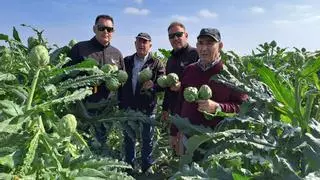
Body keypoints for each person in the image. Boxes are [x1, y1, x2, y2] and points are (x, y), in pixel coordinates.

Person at [171, 28, 248, 155]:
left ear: (220, 46)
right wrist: (174, 132)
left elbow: (244, 107)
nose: (204, 48)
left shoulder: (231, 74)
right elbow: (180, 102)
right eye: (201, 43)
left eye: (210, 43)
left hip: (217, 142)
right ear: (196, 46)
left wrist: (218, 107)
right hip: (188, 138)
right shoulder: (189, 70)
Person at [66, 14, 124, 149]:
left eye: (109, 29)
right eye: (102, 28)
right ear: (94, 29)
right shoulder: (80, 49)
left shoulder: (117, 54)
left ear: (113, 32)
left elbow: (122, 79)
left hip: (106, 111)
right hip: (83, 108)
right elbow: (66, 75)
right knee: (82, 145)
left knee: (101, 144)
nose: (106, 32)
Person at [118, 32, 165, 173]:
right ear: (135, 44)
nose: (141, 45)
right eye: (139, 42)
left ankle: (147, 167)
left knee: (147, 140)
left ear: (150, 45)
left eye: (145, 42)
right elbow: (119, 81)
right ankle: (129, 167)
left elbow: (163, 83)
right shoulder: (126, 61)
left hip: (147, 108)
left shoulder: (156, 63)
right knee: (129, 138)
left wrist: (154, 85)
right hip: (128, 107)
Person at [160, 22, 199, 153]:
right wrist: (165, 108)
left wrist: (183, 86)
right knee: (178, 148)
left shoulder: (196, 54)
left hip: (193, 112)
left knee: (192, 149)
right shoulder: (170, 60)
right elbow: (167, 88)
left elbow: (205, 82)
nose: (175, 38)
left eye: (179, 34)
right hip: (176, 111)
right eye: (172, 36)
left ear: (186, 35)